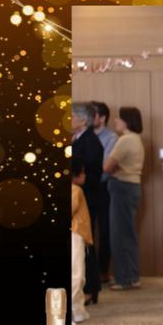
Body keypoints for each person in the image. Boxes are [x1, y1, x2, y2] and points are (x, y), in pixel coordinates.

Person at [103, 106, 145, 291]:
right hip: (133, 186)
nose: (115, 121)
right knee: (128, 234)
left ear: (127, 121)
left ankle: (123, 279)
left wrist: (113, 167)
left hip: (122, 187)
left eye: (118, 118)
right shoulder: (136, 139)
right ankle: (132, 276)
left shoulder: (125, 140)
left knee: (119, 235)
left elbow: (107, 167)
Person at [71, 102, 104, 305]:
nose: (70, 120)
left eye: (73, 116)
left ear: (83, 120)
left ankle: (91, 287)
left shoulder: (91, 142)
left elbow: (88, 173)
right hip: (79, 196)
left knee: (85, 244)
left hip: (86, 198)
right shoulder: (78, 138)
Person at [91, 101, 118, 284]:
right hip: (86, 188)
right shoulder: (81, 135)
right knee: (86, 231)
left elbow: (105, 167)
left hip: (103, 188)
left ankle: (103, 271)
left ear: (102, 118)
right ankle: (90, 272)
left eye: (92, 114)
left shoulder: (111, 137)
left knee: (105, 230)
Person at [70, 156, 93, 325]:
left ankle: (78, 310)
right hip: (75, 233)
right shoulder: (75, 190)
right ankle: (72, 310)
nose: (85, 175)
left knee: (78, 273)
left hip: (77, 233)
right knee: (77, 274)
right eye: (83, 172)